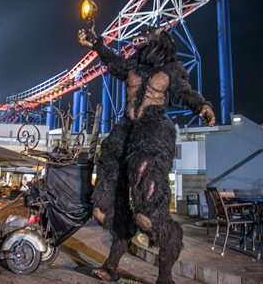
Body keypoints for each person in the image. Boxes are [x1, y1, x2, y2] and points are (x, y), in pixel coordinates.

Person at [78, 27, 215, 282]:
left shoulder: (172, 69)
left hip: (152, 134)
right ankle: (111, 267)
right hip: (125, 132)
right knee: (103, 210)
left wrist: (202, 105)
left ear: (160, 40)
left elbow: (184, 92)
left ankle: (165, 276)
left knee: (147, 217)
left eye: (148, 33)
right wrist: (96, 43)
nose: (140, 35)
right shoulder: (132, 66)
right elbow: (113, 61)